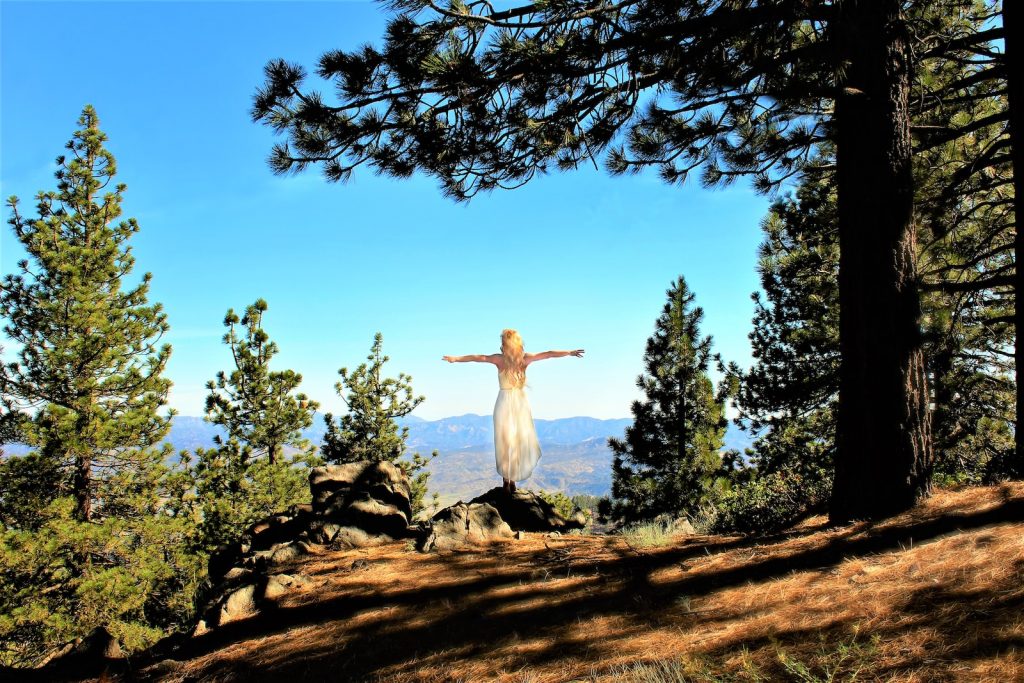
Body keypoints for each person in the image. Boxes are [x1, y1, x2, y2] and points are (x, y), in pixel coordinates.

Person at [443, 329, 585, 494]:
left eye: (504, 341)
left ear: (511, 343)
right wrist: (455, 359)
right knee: (505, 441)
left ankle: (512, 480)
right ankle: (506, 480)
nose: (501, 345)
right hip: (504, 403)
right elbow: (478, 357)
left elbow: (548, 354)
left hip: (520, 405)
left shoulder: (524, 359)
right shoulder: (499, 359)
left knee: (518, 442)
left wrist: (569, 352)